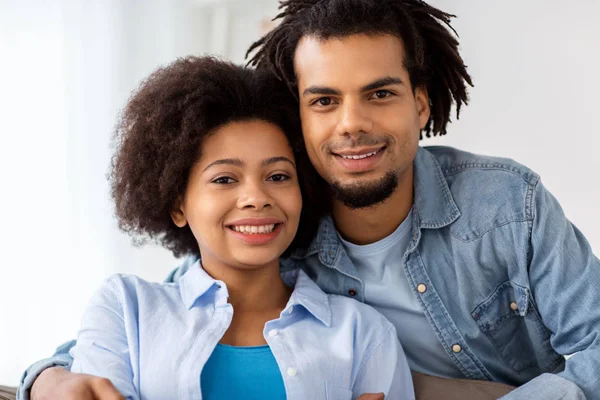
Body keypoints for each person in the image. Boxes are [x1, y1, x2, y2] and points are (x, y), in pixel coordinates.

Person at [18, 0, 600, 399]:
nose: (352, 124)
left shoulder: (506, 204)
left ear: (421, 105)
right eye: (323, 100)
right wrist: (48, 377)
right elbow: (152, 312)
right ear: (297, 116)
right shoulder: (279, 228)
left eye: (379, 93)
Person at [27, 56, 415, 400]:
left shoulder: (363, 333)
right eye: (225, 179)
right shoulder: (126, 310)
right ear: (178, 204)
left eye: (278, 175)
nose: (256, 198)